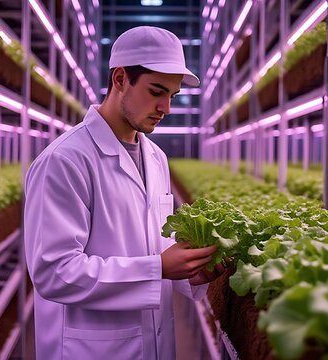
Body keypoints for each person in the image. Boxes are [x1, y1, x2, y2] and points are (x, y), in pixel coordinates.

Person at [24, 26, 224, 359]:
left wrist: (191, 272)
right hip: (89, 349)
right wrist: (157, 268)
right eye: (156, 91)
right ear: (120, 79)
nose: (166, 107)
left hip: (154, 342)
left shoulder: (156, 158)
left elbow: (152, 245)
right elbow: (54, 272)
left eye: (172, 95)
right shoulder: (65, 160)